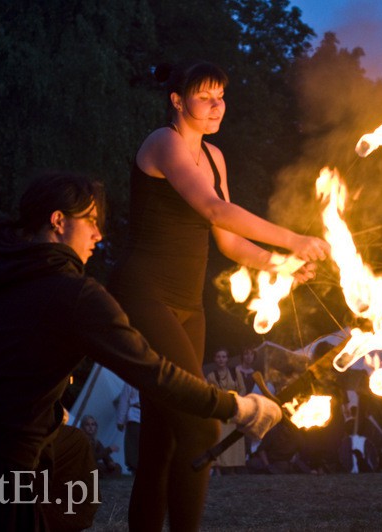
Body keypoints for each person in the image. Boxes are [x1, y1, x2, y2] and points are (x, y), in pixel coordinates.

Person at [0, 171, 281, 531]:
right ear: (58, 221)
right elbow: (153, 372)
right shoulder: (76, 295)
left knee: (73, 449)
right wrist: (238, 407)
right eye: (90, 220)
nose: (98, 234)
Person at [106, 60, 329, 531]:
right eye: (205, 97)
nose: (216, 106)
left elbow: (225, 240)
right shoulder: (164, 143)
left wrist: (281, 265)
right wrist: (292, 240)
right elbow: (214, 208)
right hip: (146, 294)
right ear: (177, 100)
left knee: (162, 441)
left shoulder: (214, 157)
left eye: (221, 96)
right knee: (200, 423)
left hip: (189, 307)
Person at [206, 348, 246, 474]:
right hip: (221, 411)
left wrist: (237, 401)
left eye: (223, 357)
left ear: (227, 359)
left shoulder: (235, 372)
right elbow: (212, 393)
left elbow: (242, 389)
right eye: (218, 357)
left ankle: (233, 468)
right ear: (215, 359)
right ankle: (218, 468)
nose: (221, 359)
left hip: (234, 410)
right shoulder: (211, 376)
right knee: (220, 438)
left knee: (234, 440)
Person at [116, 382, 141, 474]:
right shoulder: (131, 382)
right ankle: (134, 469)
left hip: (149, 416)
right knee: (133, 444)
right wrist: (120, 420)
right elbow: (124, 400)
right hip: (135, 416)